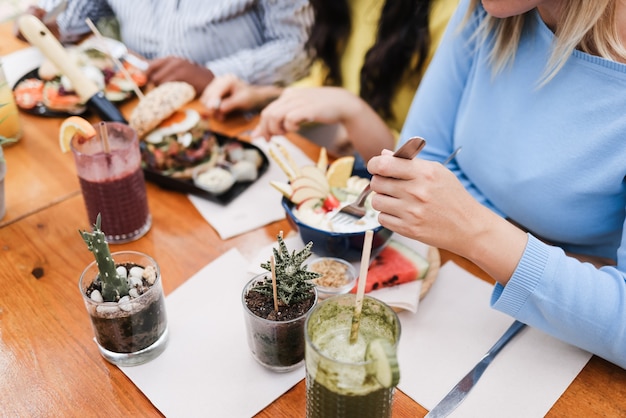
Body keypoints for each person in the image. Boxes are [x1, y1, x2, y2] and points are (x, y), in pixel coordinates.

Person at [364, 0, 626, 368]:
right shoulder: (485, 11)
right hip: (475, 302)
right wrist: (566, 262)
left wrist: (475, 230)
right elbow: (422, 167)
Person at [200, 0, 458, 161]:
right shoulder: (343, 7)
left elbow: (423, 164)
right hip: (347, 163)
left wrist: (353, 112)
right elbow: (325, 84)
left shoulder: (452, 16)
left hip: (392, 182)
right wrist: (258, 96)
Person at [17, 0, 313, 96]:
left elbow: (299, 48)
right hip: (133, 94)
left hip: (230, 110)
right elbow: (96, 7)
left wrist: (212, 75)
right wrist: (56, 25)